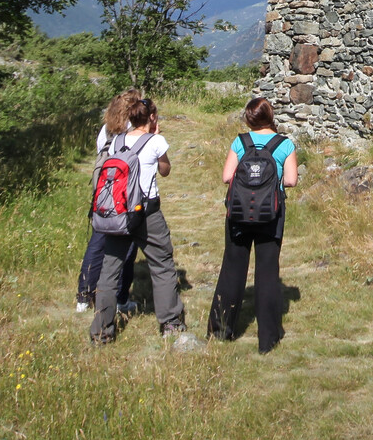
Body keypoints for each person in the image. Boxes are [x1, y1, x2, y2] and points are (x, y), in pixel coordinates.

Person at [89, 94, 187, 343]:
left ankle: (102, 331)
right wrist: (156, 138)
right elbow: (165, 171)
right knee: (162, 264)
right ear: (152, 117)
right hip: (146, 211)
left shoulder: (116, 141)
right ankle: (170, 322)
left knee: (110, 269)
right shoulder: (155, 141)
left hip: (119, 212)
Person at [206, 97, 297, 353]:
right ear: (270, 116)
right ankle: (268, 339)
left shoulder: (240, 142)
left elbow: (226, 176)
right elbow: (291, 180)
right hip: (271, 213)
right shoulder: (284, 144)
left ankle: (221, 330)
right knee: (267, 273)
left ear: (249, 118)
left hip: (238, 212)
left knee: (232, 269)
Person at [77, 89, 141, 313]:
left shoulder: (106, 130)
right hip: (125, 196)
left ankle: (84, 296)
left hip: (103, 193)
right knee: (128, 246)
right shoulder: (134, 132)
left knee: (96, 244)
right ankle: (121, 298)